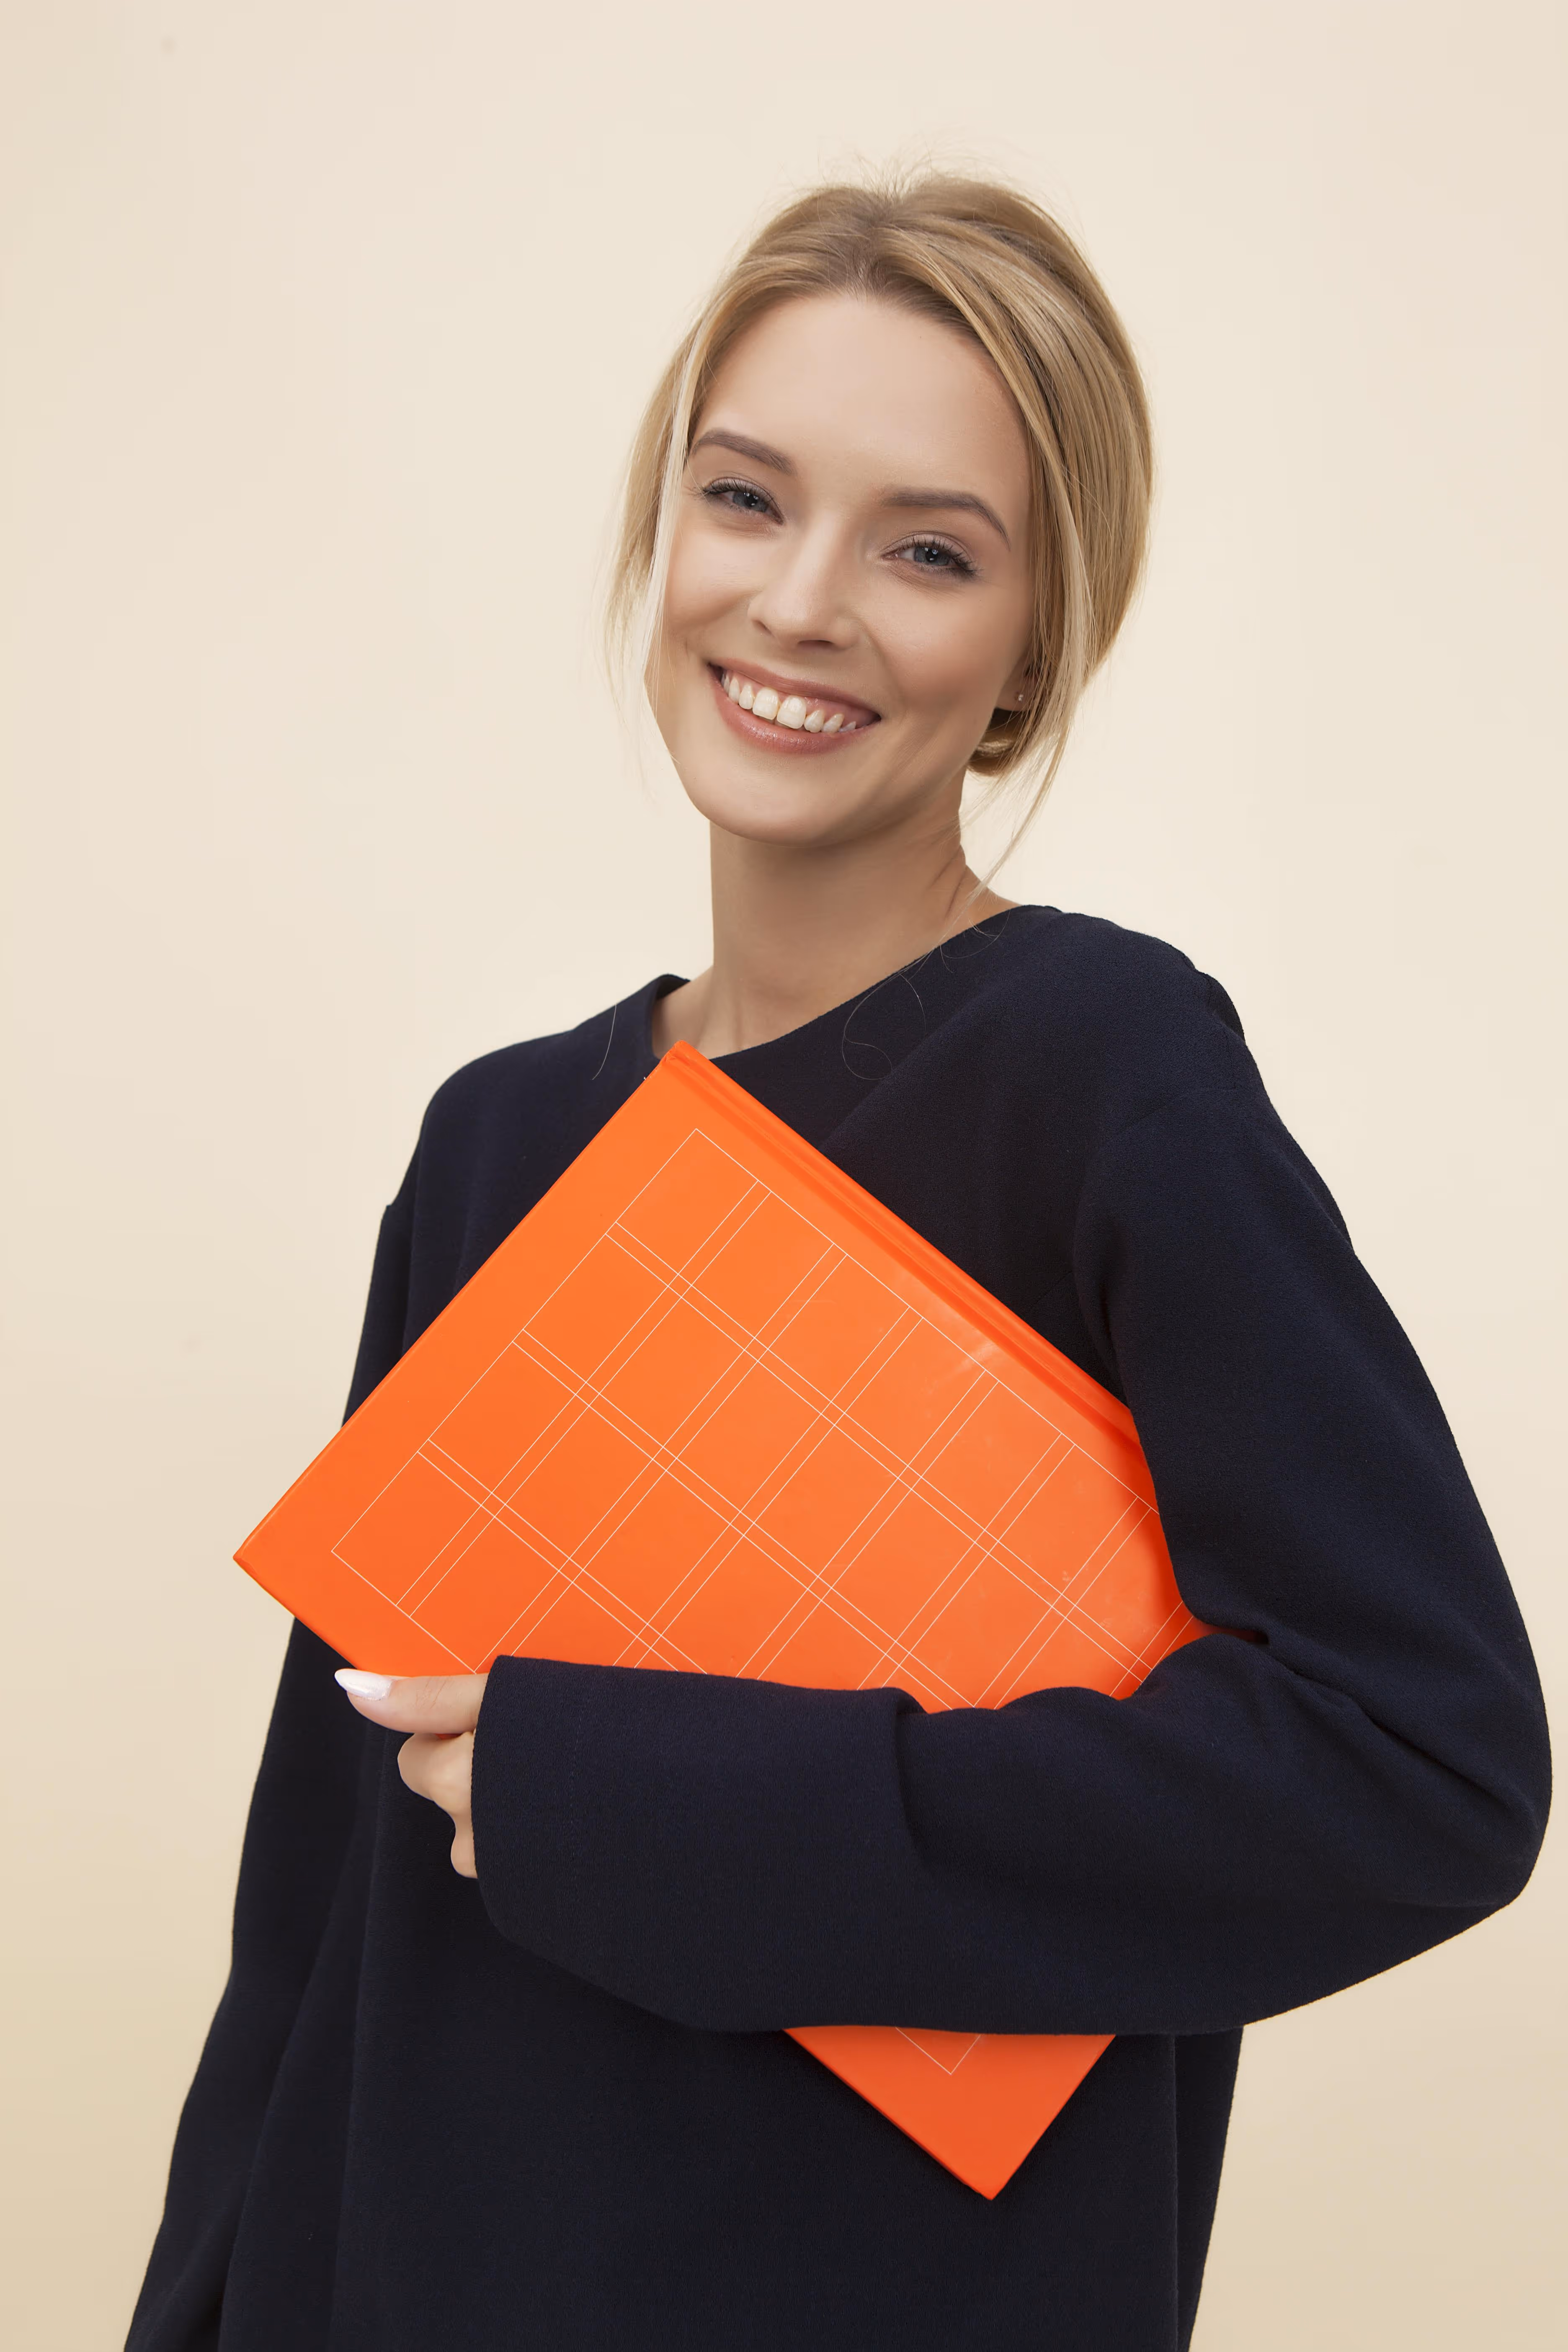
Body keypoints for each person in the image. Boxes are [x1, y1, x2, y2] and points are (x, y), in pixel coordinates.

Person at [128, 173, 1550, 2352]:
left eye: (927, 549)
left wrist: (644, 1807)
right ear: (662, 527)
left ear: (1034, 646)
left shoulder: (1099, 1072)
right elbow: (314, 1913)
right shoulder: (493, 1137)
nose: (800, 604)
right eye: (745, 496)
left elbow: (1415, 1769)